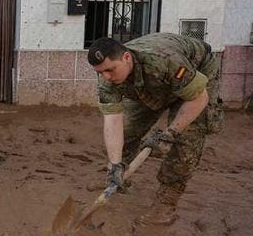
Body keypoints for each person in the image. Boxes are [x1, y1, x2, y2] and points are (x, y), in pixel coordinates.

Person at [88, 33, 223, 225]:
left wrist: (170, 134)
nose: (106, 77)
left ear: (126, 58)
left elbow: (198, 98)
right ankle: (118, 178)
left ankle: (166, 203)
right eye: (100, 72)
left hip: (196, 74)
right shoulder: (107, 78)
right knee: (127, 130)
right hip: (150, 81)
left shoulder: (165, 60)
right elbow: (113, 121)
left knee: (185, 142)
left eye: (110, 70)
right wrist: (115, 163)